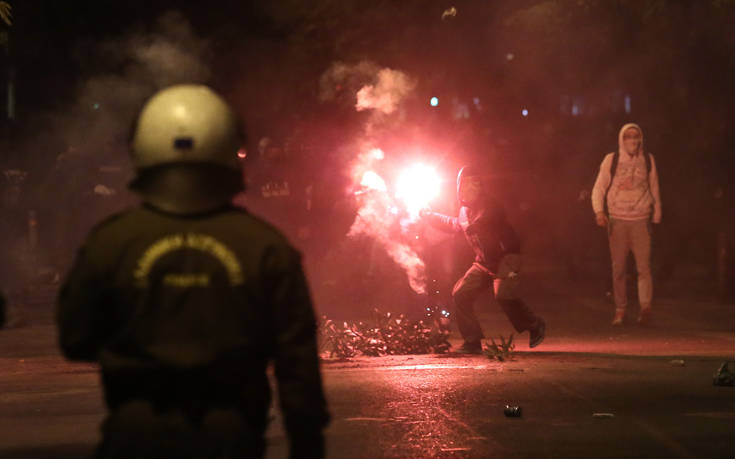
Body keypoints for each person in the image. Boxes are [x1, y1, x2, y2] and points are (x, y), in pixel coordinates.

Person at [56, 84, 329, 458]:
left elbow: (75, 339)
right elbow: (297, 365)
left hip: (134, 437)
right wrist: (307, 446)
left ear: (142, 150)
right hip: (232, 439)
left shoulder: (110, 242)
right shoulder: (266, 247)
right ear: (231, 150)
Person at [420, 165, 546, 353]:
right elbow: (454, 224)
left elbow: (485, 219)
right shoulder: (464, 211)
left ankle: (535, 325)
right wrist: (430, 216)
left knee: (503, 294)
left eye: (476, 184)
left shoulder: (490, 205)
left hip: (507, 258)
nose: (472, 188)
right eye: (467, 185)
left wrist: (474, 225)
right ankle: (472, 342)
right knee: (460, 293)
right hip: (485, 262)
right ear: (459, 188)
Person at [592, 123, 662, 326]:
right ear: (621, 139)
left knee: (644, 268)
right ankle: (620, 310)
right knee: (619, 268)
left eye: (636, 136)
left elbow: (654, 188)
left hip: (641, 220)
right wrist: (599, 211)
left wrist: (656, 216)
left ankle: (645, 308)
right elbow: (599, 187)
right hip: (618, 220)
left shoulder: (648, 160)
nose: (633, 140)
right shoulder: (611, 160)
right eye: (628, 136)